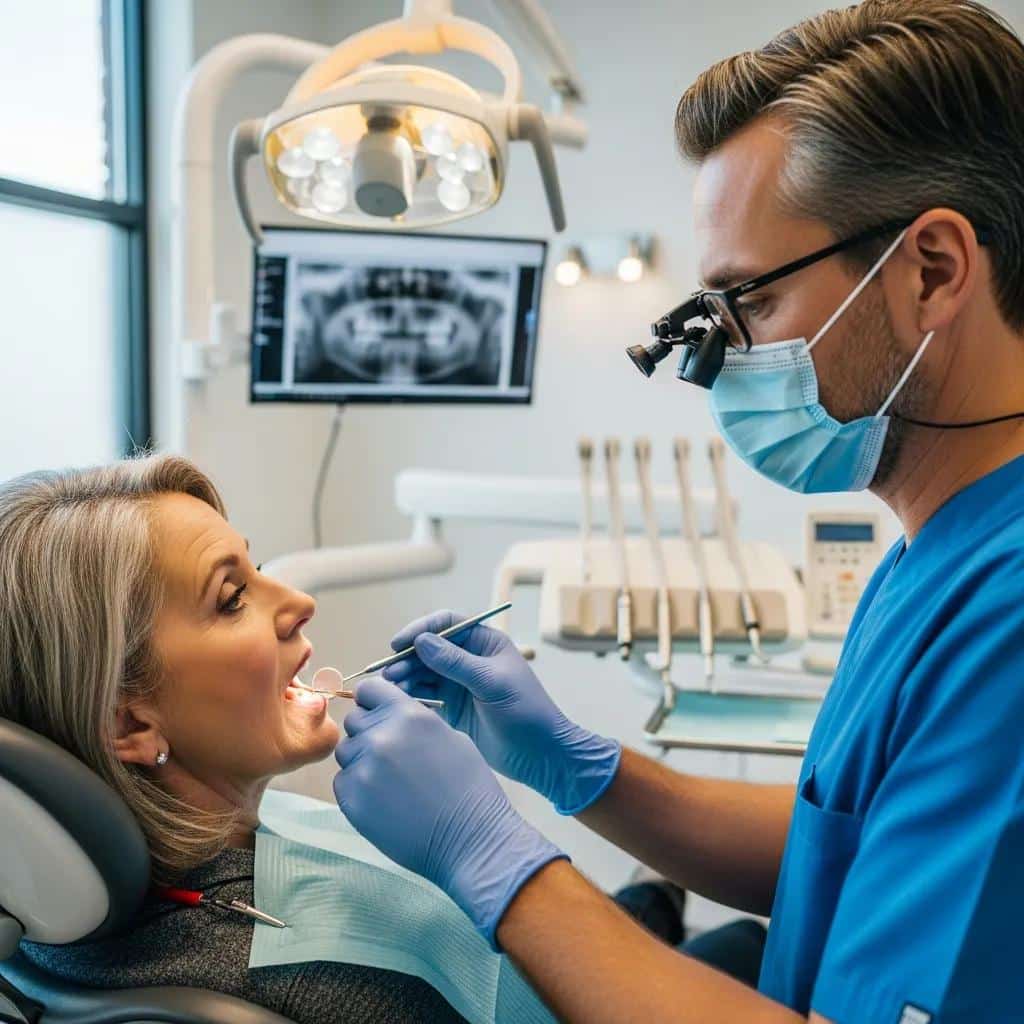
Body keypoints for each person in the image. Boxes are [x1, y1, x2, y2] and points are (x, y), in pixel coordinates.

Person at [332, 2, 1024, 1021]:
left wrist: (498, 861)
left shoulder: (1006, 616)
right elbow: (854, 845)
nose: (719, 362)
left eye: (749, 304)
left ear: (931, 271)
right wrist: (578, 766)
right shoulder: (930, 555)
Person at [0, 456, 466, 1023]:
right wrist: (501, 857)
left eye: (258, 567)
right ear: (130, 725)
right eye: (232, 598)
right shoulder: (324, 986)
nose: (300, 604)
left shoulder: (50, 919)